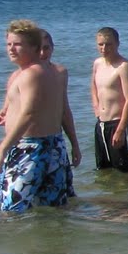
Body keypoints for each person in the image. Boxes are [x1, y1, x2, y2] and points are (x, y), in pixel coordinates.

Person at [1, 19, 74, 212]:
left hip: (29, 150)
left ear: (34, 47)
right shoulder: (48, 71)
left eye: (18, 44)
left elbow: (29, 114)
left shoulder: (31, 74)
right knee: (54, 210)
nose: (11, 49)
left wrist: (2, 148)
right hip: (51, 146)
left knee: (12, 210)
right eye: (9, 44)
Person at [90, 27, 128, 172]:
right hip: (101, 125)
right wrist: (96, 107)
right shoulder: (97, 63)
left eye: (108, 44)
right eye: (100, 44)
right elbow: (93, 86)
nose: (104, 48)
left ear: (117, 44)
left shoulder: (124, 67)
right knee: (104, 171)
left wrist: (121, 130)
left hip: (120, 124)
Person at [39, 30, 84, 176]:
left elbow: (64, 110)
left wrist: (75, 145)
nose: (42, 53)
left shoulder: (60, 73)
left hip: (55, 140)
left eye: (46, 48)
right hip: (29, 142)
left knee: (60, 187)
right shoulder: (23, 74)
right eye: (38, 48)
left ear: (53, 48)